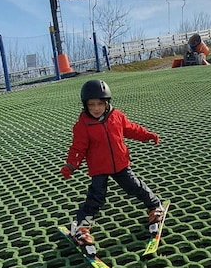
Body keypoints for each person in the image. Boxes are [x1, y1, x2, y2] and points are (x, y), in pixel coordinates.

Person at [60, 79, 164, 257]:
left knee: (135, 186)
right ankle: (82, 227)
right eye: (91, 105)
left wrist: (147, 135)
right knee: (96, 198)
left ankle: (154, 206)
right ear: (85, 105)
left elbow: (131, 129)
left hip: (121, 164)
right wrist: (71, 165)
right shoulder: (83, 126)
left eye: (100, 103)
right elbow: (78, 148)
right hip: (99, 168)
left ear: (107, 102)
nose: (96, 108)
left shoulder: (117, 116)